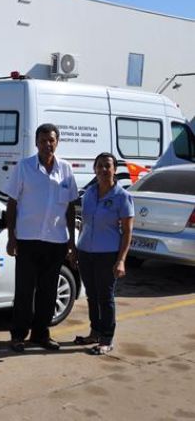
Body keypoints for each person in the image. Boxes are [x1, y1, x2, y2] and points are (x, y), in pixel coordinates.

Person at [5, 123, 78, 353]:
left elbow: (70, 207)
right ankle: (18, 335)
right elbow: (12, 204)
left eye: (52, 140)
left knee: (49, 292)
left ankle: (41, 334)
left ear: (57, 142)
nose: (48, 144)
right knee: (25, 291)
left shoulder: (66, 170)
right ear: (36, 142)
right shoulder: (24, 168)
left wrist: (71, 241)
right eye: (44, 140)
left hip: (56, 241)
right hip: (28, 240)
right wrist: (11, 237)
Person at [74, 152, 134, 355]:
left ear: (115, 169)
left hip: (107, 254)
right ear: (94, 169)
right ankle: (94, 332)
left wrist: (121, 260)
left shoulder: (122, 196)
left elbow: (127, 232)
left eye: (107, 166)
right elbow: (84, 223)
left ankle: (106, 339)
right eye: (99, 166)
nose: (103, 169)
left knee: (105, 297)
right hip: (85, 252)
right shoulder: (89, 193)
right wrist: (76, 248)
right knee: (91, 295)